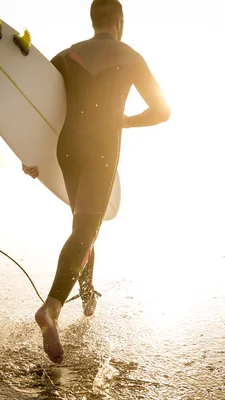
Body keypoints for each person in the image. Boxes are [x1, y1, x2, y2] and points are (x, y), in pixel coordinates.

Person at [23, 0, 170, 363]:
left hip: (67, 148)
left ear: (93, 21)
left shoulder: (66, 55)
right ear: (120, 22)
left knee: (84, 227)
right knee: (86, 230)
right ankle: (52, 308)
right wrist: (125, 121)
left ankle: (87, 295)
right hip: (102, 148)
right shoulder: (131, 56)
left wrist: (31, 156)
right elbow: (162, 111)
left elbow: (34, 106)